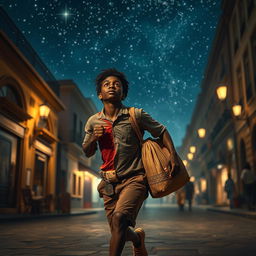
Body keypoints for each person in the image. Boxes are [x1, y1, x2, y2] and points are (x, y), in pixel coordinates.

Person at [82, 68, 179, 256]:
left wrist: (173, 155)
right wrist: (94, 137)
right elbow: (86, 151)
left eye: (116, 84)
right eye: (106, 84)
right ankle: (137, 239)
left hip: (135, 179)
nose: (112, 86)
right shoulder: (93, 121)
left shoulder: (136, 115)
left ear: (123, 93)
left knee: (119, 219)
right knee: (119, 230)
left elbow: (162, 131)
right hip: (109, 184)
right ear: (99, 94)